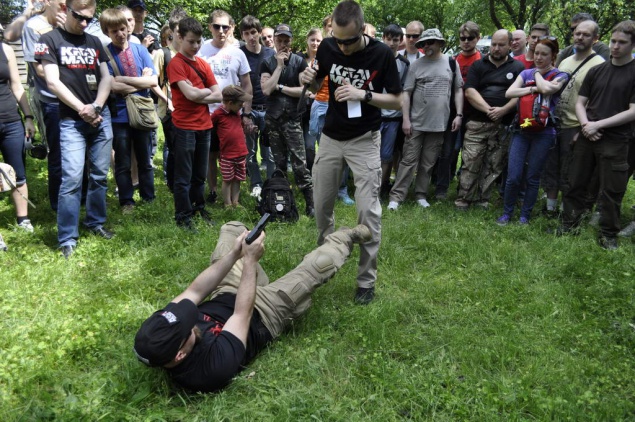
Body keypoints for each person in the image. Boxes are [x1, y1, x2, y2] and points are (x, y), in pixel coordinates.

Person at [133, 221, 372, 393]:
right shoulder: (210, 370)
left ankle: (246, 253)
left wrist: (235, 254)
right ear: (179, 355)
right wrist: (249, 261)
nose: (190, 319)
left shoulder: (155, 333)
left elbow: (196, 291)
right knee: (318, 267)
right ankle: (345, 237)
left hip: (225, 293)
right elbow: (241, 314)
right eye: (187, 328)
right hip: (262, 313)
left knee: (232, 230)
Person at [299, 0, 402, 304]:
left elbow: (397, 101)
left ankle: (366, 281)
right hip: (330, 138)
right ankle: (323, 263)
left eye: (350, 41)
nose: (342, 48)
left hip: (364, 140)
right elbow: (318, 81)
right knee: (321, 206)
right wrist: (309, 80)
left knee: (368, 212)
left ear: (362, 29)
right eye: (338, 40)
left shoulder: (382, 54)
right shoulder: (328, 47)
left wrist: (364, 94)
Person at [36, 0, 115, 258]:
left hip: (101, 118)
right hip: (71, 120)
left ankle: (95, 223)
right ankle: (67, 237)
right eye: (79, 17)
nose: (83, 23)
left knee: (100, 176)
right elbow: (52, 81)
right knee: (71, 179)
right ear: (65, 10)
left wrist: (98, 106)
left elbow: (107, 77)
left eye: (88, 19)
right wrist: (83, 108)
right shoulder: (49, 39)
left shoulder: (94, 42)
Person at [555, 20, 635, 250]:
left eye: (622, 42)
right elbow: (581, 102)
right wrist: (586, 124)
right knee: (575, 182)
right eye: (614, 41)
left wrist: (598, 125)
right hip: (587, 135)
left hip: (616, 139)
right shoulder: (597, 70)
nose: (616, 46)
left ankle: (608, 234)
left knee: (611, 190)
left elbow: (633, 111)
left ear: (632, 44)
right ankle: (569, 224)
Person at [387, 28, 463, 210]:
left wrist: (459, 115)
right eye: (423, 43)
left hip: (439, 123)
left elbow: (458, 89)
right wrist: (406, 119)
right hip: (416, 122)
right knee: (408, 161)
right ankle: (396, 197)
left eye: (430, 42)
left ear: (440, 43)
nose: (426, 46)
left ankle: (421, 194)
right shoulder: (416, 65)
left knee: (429, 162)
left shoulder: (452, 63)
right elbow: (406, 93)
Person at [496, 37, 568, 226]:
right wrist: (534, 88)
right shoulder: (525, 72)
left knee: (533, 177)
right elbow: (509, 93)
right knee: (513, 176)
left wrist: (536, 78)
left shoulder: (560, 75)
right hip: (522, 129)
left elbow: (548, 89)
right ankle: (507, 213)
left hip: (544, 133)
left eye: (544, 54)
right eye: (536, 53)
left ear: (553, 56)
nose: (539, 57)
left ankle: (524, 216)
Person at [454, 30, 525, 211]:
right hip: (478, 121)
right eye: (494, 44)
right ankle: (464, 198)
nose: (496, 48)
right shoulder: (479, 65)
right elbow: (470, 91)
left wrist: (503, 110)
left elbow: (521, 94)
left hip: (503, 124)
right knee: (471, 160)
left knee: (494, 164)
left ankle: (483, 200)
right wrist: (488, 109)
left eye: (501, 45)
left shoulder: (518, 68)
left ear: (510, 45)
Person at [543, 20, 604, 216]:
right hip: (555, 122)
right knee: (551, 167)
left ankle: (566, 211)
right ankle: (550, 208)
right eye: (577, 33)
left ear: (595, 39)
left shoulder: (599, 65)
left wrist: (582, 129)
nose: (579, 37)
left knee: (571, 172)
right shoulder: (565, 61)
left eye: (585, 34)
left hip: (575, 126)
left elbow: (597, 101)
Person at [166, 17, 222, 230]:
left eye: (199, 42)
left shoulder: (202, 64)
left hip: (205, 126)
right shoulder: (176, 64)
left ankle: (198, 207)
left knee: (199, 174)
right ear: (179, 37)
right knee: (183, 176)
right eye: (191, 41)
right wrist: (201, 93)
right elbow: (189, 95)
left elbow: (218, 96)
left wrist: (200, 94)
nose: (196, 46)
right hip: (184, 127)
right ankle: (183, 215)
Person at [101, 8, 157, 213]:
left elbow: (153, 80)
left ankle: (148, 198)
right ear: (107, 31)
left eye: (123, 29)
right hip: (119, 116)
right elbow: (111, 86)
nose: (120, 34)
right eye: (114, 30)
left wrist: (123, 80)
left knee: (145, 160)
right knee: (123, 162)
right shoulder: (105, 54)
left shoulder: (140, 50)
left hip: (141, 113)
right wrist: (140, 82)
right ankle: (126, 201)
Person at [198, 10, 253, 205]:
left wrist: (245, 112)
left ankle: (231, 195)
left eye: (225, 27)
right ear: (210, 27)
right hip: (207, 113)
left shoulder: (238, 53)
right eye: (217, 26)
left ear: (231, 28)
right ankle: (213, 191)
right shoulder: (201, 50)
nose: (221, 31)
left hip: (232, 115)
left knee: (231, 155)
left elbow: (247, 84)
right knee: (210, 155)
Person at [260, 24, 314, 217]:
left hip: (292, 119)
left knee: (300, 163)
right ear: (274, 40)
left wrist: (280, 87)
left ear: (291, 41)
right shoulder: (267, 63)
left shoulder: (299, 62)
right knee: (279, 163)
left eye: (286, 40)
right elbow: (266, 89)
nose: (283, 44)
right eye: (279, 40)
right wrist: (280, 67)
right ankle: (281, 199)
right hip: (273, 120)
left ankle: (310, 202)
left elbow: (304, 91)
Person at [21, 0, 64, 211]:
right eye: (62, 3)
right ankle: (58, 203)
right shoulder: (33, 27)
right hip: (51, 99)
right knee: (57, 152)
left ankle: (80, 197)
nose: (66, 7)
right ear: (47, 2)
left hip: (75, 99)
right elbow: (39, 69)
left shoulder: (68, 24)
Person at [435, 21, 482, 200]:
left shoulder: (482, 60)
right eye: (463, 38)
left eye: (470, 38)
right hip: (454, 112)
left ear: (477, 38)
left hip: (475, 113)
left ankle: (466, 189)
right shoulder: (452, 60)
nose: (466, 41)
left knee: (471, 153)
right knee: (449, 151)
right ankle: (441, 189)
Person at [0, 28, 36, 232]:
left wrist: (28, 117)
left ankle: (23, 220)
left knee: (17, 173)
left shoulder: (6, 49)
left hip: (12, 121)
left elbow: (17, 86)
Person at [239, 15, 275, 195]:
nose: (251, 37)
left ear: (260, 32)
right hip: (249, 109)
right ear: (242, 35)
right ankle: (256, 184)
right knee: (250, 150)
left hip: (269, 109)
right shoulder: (240, 54)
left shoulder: (270, 53)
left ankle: (271, 183)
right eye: (247, 33)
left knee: (269, 150)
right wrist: (244, 114)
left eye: (254, 32)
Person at [379, 24, 409, 196]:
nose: (391, 43)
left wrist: (404, 117)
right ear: (383, 38)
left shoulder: (404, 64)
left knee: (386, 155)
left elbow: (404, 93)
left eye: (395, 40)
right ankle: (368, 188)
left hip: (393, 118)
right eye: (388, 39)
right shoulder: (375, 58)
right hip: (375, 115)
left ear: (400, 41)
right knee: (371, 155)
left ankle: (381, 188)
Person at [212, 85, 252, 207]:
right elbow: (210, 126)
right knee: (228, 179)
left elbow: (239, 129)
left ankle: (235, 201)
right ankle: (227, 203)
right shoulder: (218, 114)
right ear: (230, 103)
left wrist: (248, 129)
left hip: (241, 152)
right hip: (227, 154)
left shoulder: (237, 113)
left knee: (238, 179)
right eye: (240, 104)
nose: (242, 106)